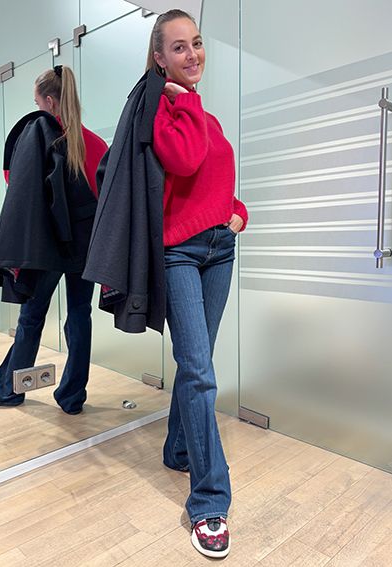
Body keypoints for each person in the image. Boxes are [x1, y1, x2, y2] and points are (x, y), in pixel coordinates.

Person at [146, 9, 248, 559]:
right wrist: (181, 99)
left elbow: (217, 176)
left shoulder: (205, 114)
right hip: (179, 253)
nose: (193, 55)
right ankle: (209, 502)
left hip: (219, 249)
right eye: (179, 47)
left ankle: (177, 449)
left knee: (197, 363)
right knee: (199, 370)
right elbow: (183, 162)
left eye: (198, 43)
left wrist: (238, 213)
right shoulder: (162, 109)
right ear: (160, 57)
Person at [0, 65, 108, 414]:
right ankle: (72, 398)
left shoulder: (39, 140)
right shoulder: (96, 144)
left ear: (49, 101)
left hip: (48, 246)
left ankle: (8, 391)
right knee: (80, 315)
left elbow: (19, 189)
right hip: (85, 246)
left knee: (32, 317)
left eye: (37, 102)